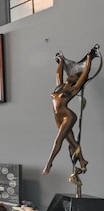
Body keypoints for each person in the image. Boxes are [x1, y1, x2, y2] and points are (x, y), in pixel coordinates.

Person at [42, 45, 99, 176]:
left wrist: (89, 59)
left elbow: (84, 75)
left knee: (58, 140)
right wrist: (61, 62)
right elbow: (58, 74)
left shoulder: (73, 89)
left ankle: (49, 163)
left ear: (75, 81)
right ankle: (83, 161)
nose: (71, 75)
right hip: (58, 117)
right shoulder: (60, 87)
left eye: (74, 76)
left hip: (68, 116)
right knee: (72, 141)